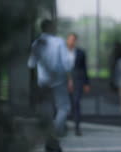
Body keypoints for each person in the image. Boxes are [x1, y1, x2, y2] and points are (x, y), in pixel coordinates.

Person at [28, 19, 74, 151]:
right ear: (50, 27)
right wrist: (69, 77)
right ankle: (54, 136)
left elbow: (31, 64)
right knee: (64, 107)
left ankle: (49, 137)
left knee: (46, 110)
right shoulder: (59, 42)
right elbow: (66, 64)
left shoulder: (37, 43)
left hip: (43, 82)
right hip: (59, 80)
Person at [66, 33, 90, 136]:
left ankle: (77, 128)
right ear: (67, 40)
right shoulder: (62, 52)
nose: (72, 41)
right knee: (65, 105)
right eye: (70, 39)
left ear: (76, 41)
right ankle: (62, 127)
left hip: (78, 81)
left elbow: (84, 68)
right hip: (64, 81)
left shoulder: (81, 52)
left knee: (76, 103)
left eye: (74, 40)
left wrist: (86, 83)